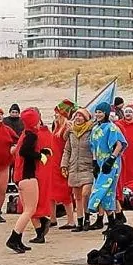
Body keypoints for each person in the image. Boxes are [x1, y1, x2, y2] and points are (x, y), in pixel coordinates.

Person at [5, 108, 51, 253]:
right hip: (28, 177)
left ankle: (18, 238)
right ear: (34, 122)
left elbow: (22, 151)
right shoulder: (31, 135)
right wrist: (40, 156)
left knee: (27, 210)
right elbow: (25, 152)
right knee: (30, 210)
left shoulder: (25, 134)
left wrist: (40, 153)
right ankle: (14, 238)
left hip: (21, 177)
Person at [87, 102, 127, 230]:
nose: (98, 114)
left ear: (106, 113)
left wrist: (111, 159)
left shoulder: (112, 127)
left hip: (111, 163)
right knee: (107, 192)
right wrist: (95, 162)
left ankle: (92, 206)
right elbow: (94, 147)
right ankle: (111, 221)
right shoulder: (95, 129)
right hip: (99, 162)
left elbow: (119, 144)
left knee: (103, 189)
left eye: (100, 112)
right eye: (97, 112)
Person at [61, 107, 94, 232]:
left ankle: (87, 217)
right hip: (74, 167)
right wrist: (64, 165)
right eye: (76, 116)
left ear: (85, 118)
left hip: (87, 166)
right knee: (77, 197)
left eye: (81, 116)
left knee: (86, 194)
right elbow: (67, 150)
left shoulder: (91, 131)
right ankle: (80, 221)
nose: (78, 118)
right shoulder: (71, 132)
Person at [50, 102, 76, 230]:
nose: (55, 115)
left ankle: (71, 220)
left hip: (62, 163)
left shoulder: (66, 127)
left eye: (57, 113)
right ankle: (52, 218)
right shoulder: (56, 126)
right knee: (50, 192)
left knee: (65, 192)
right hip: (53, 163)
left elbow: (67, 143)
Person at [29, 113, 54, 243]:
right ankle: (43, 221)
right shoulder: (47, 133)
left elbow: (25, 153)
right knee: (39, 200)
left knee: (30, 205)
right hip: (45, 171)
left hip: (34, 172)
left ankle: (40, 232)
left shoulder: (34, 135)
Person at [0, 107, 19, 224]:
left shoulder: (7, 130)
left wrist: (13, 147)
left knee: (2, 189)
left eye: (1, 114)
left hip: (5, 164)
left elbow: (18, 141)